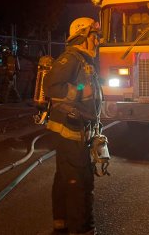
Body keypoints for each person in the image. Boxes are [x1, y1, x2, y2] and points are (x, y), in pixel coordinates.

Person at [43, 17, 102, 235]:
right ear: (83, 35)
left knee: (65, 179)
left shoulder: (83, 59)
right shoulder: (70, 59)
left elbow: (83, 86)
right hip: (70, 130)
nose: (97, 41)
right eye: (94, 36)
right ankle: (82, 230)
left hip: (78, 129)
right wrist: (80, 92)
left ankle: (62, 226)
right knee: (80, 183)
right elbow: (51, 86)